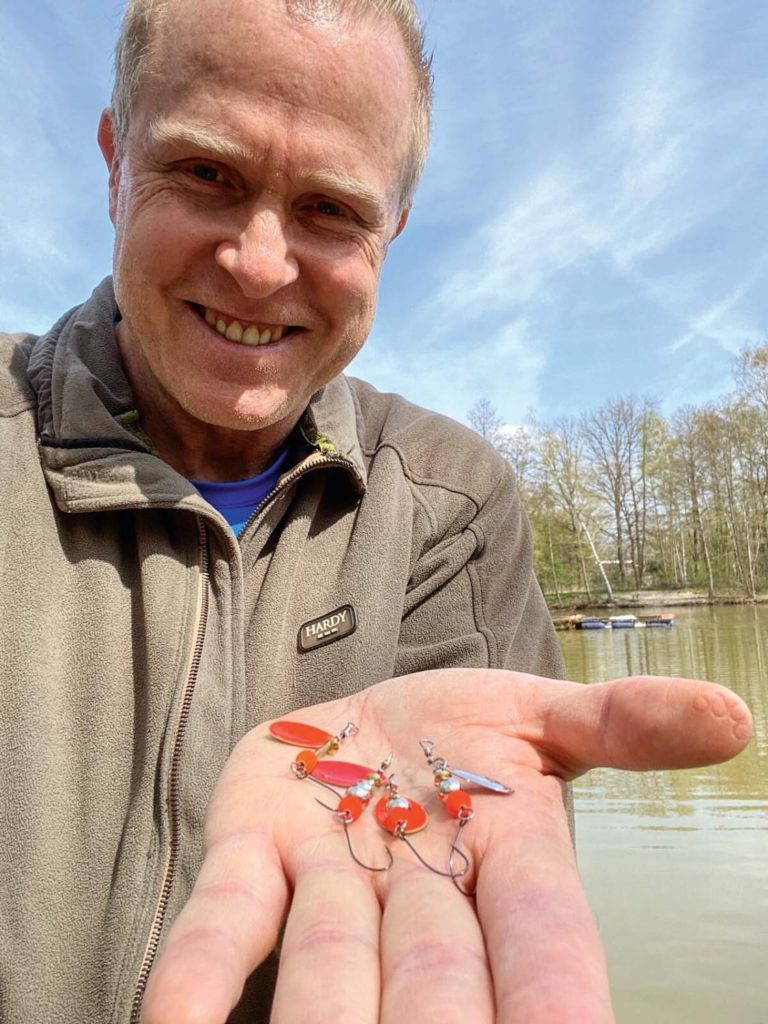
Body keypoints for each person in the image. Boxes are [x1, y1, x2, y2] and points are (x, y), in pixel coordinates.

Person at [0, 0, 752, 1021]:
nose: (261, 263)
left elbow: (476, 857)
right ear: (113, 161)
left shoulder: (453, 496)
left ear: (391, 226)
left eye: (331, 209)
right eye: (207, 173)